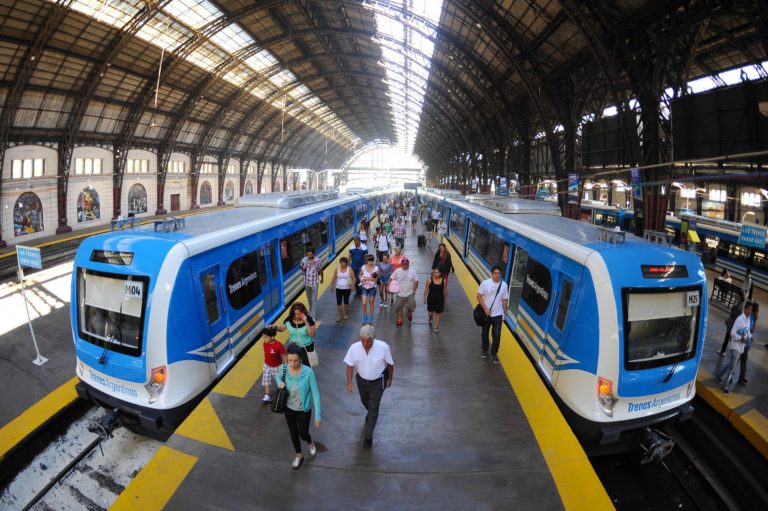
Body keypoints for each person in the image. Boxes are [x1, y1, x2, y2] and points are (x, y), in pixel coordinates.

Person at [343, 325, 394, 449]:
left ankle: (368, 436)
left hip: (378, 382)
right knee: (364, 401)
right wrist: (349, 381)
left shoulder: (383, 347)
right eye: (362, 340)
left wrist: (390, 379)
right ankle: (371, 413)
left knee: (373, 407)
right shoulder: (354, 348)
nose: (365, 343)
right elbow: (349, 366)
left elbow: (390, 364)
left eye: (367, 340)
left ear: (373, 338)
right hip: (361, 380)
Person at [276, 344, 321, 468]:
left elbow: (316, 394)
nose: (292, 363)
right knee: (293, 431)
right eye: (289, 360)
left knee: (303, 433)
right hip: (288, 408)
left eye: (295, 361)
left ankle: (310, 441)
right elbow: (278, 376)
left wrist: (318, 415)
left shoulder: (308, 372)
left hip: (303, 409)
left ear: (300, 359)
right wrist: (279, 382)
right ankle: (298, 455)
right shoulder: (283, 368)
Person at [716, 301, 752, 395]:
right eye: (749, 309)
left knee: (731, 364)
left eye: (751, 310)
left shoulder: (748, 320)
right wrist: (740, 338)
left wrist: (750, 337)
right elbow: (732, 332)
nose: (750, 311)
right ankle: (726, 386)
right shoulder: (739, 319)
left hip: (741, 347)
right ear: (745, 309)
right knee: (732, 367)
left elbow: (747, 331)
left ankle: (719, 375)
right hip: (735, 346)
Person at [270, 303, 320, 367]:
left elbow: (312, 334)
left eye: (298, 314)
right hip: (294, 348)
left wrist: (306, 321)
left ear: (303, 313)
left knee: (306, 367)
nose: (296, 316)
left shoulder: (309, 319)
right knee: (294, 366)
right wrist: (275, 327)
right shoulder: (289, 319)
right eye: (294, 314)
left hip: (306, 348)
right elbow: (282, 329)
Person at [477, 266, 509, 365]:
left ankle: (494, 353)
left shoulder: (504, 285)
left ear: (501, 274)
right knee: (484, 333)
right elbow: (478, 296)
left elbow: (504, 300)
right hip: (486, 314)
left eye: (499, 273)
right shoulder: (485, 283)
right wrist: (485, 309)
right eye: (495, 273)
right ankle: (485, 348)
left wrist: (505, 313)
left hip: (498, 314)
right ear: (491, 274)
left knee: (497, 335)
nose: (497, 275)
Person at [261, 326, 286, 403]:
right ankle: (267, 395)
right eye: (263, 337)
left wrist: (286, 366)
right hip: (267, 365)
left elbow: (284, 355)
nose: (264, 339)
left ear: (272, 337)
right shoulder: (265, 343)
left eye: (266, 337)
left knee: (279, 381)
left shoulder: (278, 345)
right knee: (266, 379)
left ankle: (283, 393)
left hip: (277, 367)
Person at [391, 257, 419, 327]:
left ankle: (409, 311)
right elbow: (391, 278)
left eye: (406, 264)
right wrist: (390, 287)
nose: (405, 265)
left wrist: (414, 291)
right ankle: (400, 319)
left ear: (408, 264)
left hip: (409, 293)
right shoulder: (397, 271)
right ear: (401, 264)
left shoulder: (413, 271)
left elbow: (416, 281)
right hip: (399, 293)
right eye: (403, 264)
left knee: (412, 306)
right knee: (398, 307)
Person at [330, 256, 355, 322]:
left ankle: (346, 314)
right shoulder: (337, 269)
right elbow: (334, 278)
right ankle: (339, 315)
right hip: (338, 288)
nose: (342, 264)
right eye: (341, 263)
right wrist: (332, 285)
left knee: (346, 302)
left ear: (346, 263)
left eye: (343, 263)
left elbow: (353, 278)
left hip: (347, 288)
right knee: (339, 302)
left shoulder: (349, 269)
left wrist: (353, 285)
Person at [300, 247, 324, 316]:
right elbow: (301, 266)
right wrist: (303, 268)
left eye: (310, 255)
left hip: (314, 283)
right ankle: (311, 310)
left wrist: (322, 278)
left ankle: (313, 315)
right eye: (308, 255)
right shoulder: (304, 260)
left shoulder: (318, 260)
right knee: (309, 298)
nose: (309, 256)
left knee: (314, 299)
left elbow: (321, 270)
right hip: (307, 283)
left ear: (314, 254)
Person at [738, 301, 758, 385]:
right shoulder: (747, 318)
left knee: (744, 360)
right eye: (756, 311)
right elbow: (746, 330)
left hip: (746, 344)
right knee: (735, 362)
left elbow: (751, 331)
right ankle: (726, 374)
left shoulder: (752, 318)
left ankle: (742, 377)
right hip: (742, 343)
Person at [424, 268, 447, 333]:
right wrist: (425, 298)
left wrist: (445, 298)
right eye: (435, 272)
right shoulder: (429, 280)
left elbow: (445, 290)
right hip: (431, 299)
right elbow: (426, 289)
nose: (436, 274)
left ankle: (436, 326)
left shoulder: (443, 281)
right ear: (433, 273)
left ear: (440, 273)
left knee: (438, 313)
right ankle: (430, 318)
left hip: (440, 299)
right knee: (430, 313)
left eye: (437, 272)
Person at [359, 255, 380, 325]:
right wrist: (361, 279)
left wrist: (366, 278)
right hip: (364, 287)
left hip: (372, 288)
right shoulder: (363, 267)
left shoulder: (376, 268)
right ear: (366, 261)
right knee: (364, 303)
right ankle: (365, 316)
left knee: (371, 302)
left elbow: (375, 279)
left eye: (372, 260)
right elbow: (360, 275)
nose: (370, 262)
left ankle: (370, 317)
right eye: (369, 260)